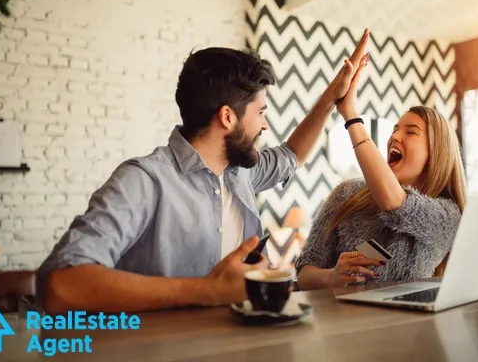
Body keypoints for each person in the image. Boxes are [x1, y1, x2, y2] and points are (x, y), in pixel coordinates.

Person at [36, 30, 371, 314]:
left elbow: (292, 154)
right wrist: (209, 290)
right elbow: (61, 285)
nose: (265, 124)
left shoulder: (240, 173)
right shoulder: (144, 180)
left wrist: (332, 97)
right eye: (261, 112)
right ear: (228, 117)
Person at [295, 59, 468, 290]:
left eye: (410, 132)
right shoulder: (346, 193)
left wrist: (350, 115)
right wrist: (331, 277)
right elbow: (305, 274)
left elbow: (396, 204)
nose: (394, 137)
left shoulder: (448, 214)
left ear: (436, 153)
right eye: (395, 129)